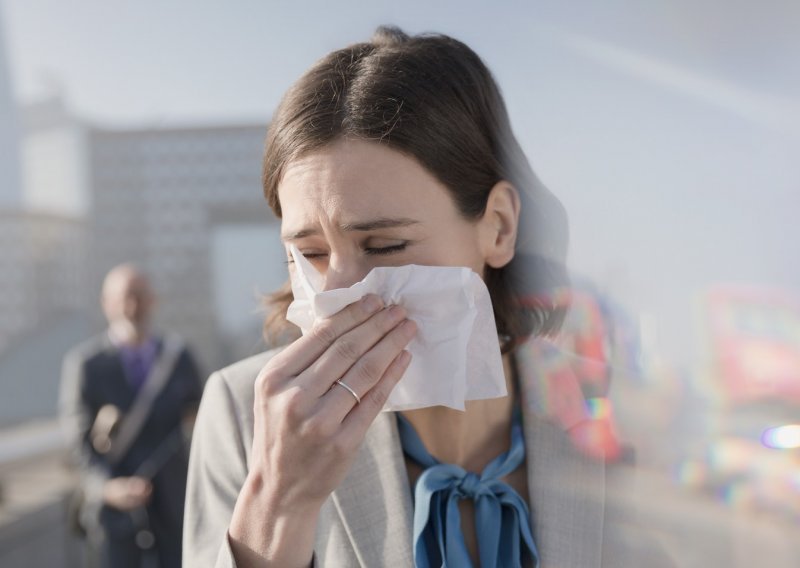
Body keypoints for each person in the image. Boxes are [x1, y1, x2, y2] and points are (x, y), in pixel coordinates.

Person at [185, 26, 669, 567]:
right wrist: (279, 504)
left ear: (499, 228)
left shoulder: (621, 416)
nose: (340, 292)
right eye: (312, 253)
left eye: (385, 244)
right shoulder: (242, 417)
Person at [60, 263, 204, 568]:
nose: (132, 306)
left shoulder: (179, 357)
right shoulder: (86, 365)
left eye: (140, 296)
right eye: (125, 297)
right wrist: (107, 488)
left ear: (153, 300)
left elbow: (204, 420)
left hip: (174, 504)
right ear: (106, 304)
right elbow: (77, 437)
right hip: (113, 515)